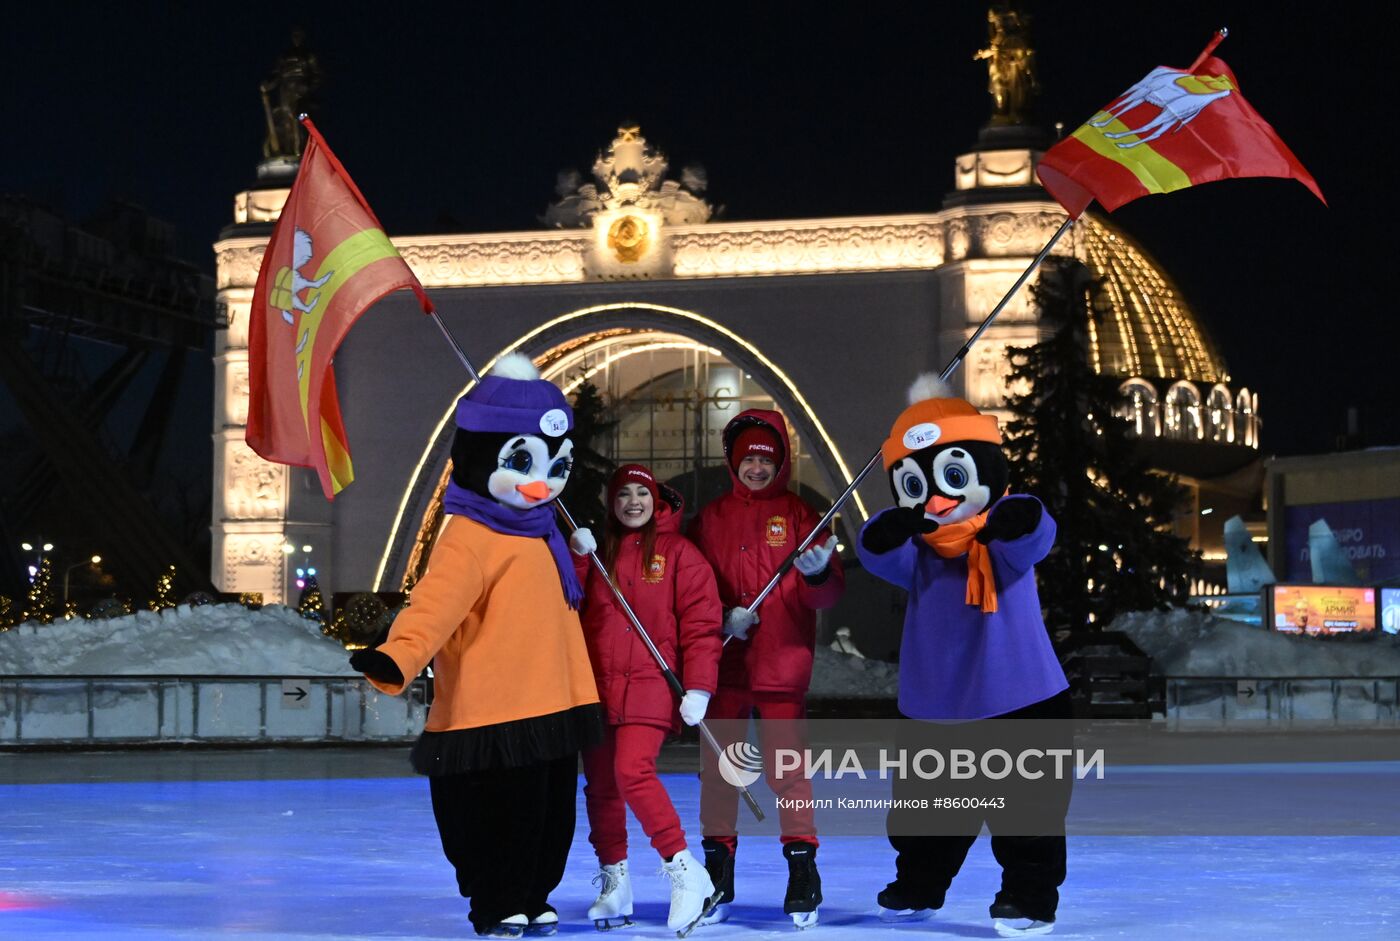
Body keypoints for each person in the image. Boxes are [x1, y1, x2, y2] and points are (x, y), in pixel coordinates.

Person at [350, 354, 602, 939]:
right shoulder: (470, 536)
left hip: (555, 701)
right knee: (497, 813)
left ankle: (534, 893)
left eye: (556, 465)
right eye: (523, 462)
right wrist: (399, 654)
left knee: (550, 813)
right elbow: (434, 605)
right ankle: (496, 898)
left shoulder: (543, 531)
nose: (545, 480)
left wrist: (583, 561)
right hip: (495, 708)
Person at [857, 374, 1072, 938]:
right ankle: (919, 883)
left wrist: (1013, 518)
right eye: (915, 483)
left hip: (1018, 696)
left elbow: (1033, 532)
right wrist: (890, 527)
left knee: (1027, 809)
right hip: (936, 703)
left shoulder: (999, 537)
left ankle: (1028, 896)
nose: (937, 495)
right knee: (928, 811)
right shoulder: (920, 553)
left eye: (954, 475)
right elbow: (878, 550)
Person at [687, 409, 845, 928]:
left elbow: (826, 594)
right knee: (720, 774)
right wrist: (720, 616)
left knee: (787, 773)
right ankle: (717, 876)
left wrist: (819, 574)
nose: (757, 467)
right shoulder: (709, 520)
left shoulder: (801, 516)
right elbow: (691, 591)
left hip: (781, 667)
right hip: (725, 666)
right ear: (734, 462)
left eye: (766, 459)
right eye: (748, 458)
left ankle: (803, 871)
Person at [567, 463, 723, 934]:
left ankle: (684, 870)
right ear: (611, 503)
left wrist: (699, 686)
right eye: (623, 495)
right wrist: (576, 557)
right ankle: (616, 882)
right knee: (601, 786)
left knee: (631, 771)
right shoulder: (600, 553)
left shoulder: (679, 553)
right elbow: (567, 605)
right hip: (596, 687)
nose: (633, 502)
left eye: (642, 493)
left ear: (656, 500)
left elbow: (701, 623)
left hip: (652, 684)